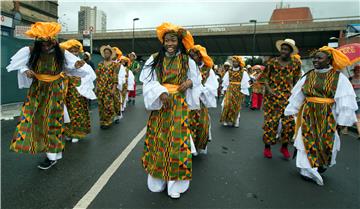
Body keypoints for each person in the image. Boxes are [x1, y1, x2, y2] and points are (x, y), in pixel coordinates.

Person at [6, 22, 93, 169]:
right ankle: (34, 146)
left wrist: (77, 66)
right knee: (32, 119)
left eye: (48, 44)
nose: (45, 47)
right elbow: (17, 64)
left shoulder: (62, 53)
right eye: (43, 44)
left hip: (55, 90)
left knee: (51, 122)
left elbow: (75, 69)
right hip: (37, 90)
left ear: (53, 41)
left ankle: (52, 156)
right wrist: (25, 71)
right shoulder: (31, 51)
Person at [140, 22, 201, 199]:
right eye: (167, 40)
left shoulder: (187, 59)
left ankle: (175, 184)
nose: (170, 44)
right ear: (163, 41)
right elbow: (148, 80)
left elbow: (196, 79)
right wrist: (160, 92)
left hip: (179, 107)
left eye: (173, 40)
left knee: (177, 144)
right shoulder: (155, 58)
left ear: (179, 41)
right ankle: (158, 180)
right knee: (159, 141)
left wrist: (189, 82)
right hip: (161, 105)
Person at [284, 46, 357, 186]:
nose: (315, 60)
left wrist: (343, 120)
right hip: (308, 114)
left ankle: (321, 163)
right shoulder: (309, 75)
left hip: (328, 115)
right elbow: (299, 94)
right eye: (314, 58)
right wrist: (291, 110)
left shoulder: (339, 78)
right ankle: (307, 170)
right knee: (304, 140)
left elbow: (344, 100)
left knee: (326, 141)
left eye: (319, 58)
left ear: (329, 59)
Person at [258, 39, 302, 159]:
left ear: (291, 51)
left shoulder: (296, 63)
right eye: (282, 49)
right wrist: (269, 90)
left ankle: (284, 147)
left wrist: (296, 94)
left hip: (288, 97)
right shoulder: (272, 62)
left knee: (289, 124)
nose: (283, 51)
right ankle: (267, 147)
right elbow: (264, 78)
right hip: (272, 98)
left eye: (286, 49)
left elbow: (297, 80)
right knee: (271, 123)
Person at [59, 39, 96, 143]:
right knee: (67, 111)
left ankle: (77, 133)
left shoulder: (82, 63)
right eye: (71, 51)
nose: (74, 53)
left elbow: (90, 74)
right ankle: (68, 132)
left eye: (76, 51)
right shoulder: (63, 62)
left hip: (78, 89)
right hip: (66, 89)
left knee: (77, 110)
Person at [188, 44, 219, 155]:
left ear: (200, 56)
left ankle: (197, 146)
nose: (192, 57)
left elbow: (213, 86)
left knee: (201, 125)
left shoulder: (207, 69)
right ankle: (187, 150)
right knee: (187, 125)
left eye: (195, 55)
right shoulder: (185, 67)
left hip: (200, 102)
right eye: (190, 55)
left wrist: (201, 90)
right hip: (186, 101)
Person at [220, 56, 250, 127]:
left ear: (239, 63)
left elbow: (245, 82)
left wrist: (243, 92)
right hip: (230, 89)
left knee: (236, 106)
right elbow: (226, 81)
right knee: (226, 104)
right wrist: (224, 90)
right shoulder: (229, 71)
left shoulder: (243, 72)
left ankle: (235, 121)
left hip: (238, 90)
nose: (234, 63)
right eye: (233, 62)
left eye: (235, 62)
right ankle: (225, 120)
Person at [95, 45, 118, 129]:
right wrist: (96, 87)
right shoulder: (100, 64)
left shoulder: (114, 65)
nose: (106, 54)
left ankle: (108, 121)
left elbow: (115, 78)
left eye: (108, 53)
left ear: (111, 54)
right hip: (101, 88)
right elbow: (98, 76)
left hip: (109, 88)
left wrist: (113, 89)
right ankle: (102, 121)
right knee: (101, 106)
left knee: (108, 106)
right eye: (105, 53)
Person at [112, 47, 123, 123]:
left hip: (116, 86)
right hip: (106, 86)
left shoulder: (119, 65)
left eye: (115, 54)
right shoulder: (106, 63)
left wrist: (117, 85)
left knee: (116, 102)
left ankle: (117, 117)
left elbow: (121, 76)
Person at [349, 64, 360, 138]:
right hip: (355, 101)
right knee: (358, 117)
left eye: (359, 71)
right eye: (357, 70)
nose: (358, 72)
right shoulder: (350, 79)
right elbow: (347, 89)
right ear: (354, 71)